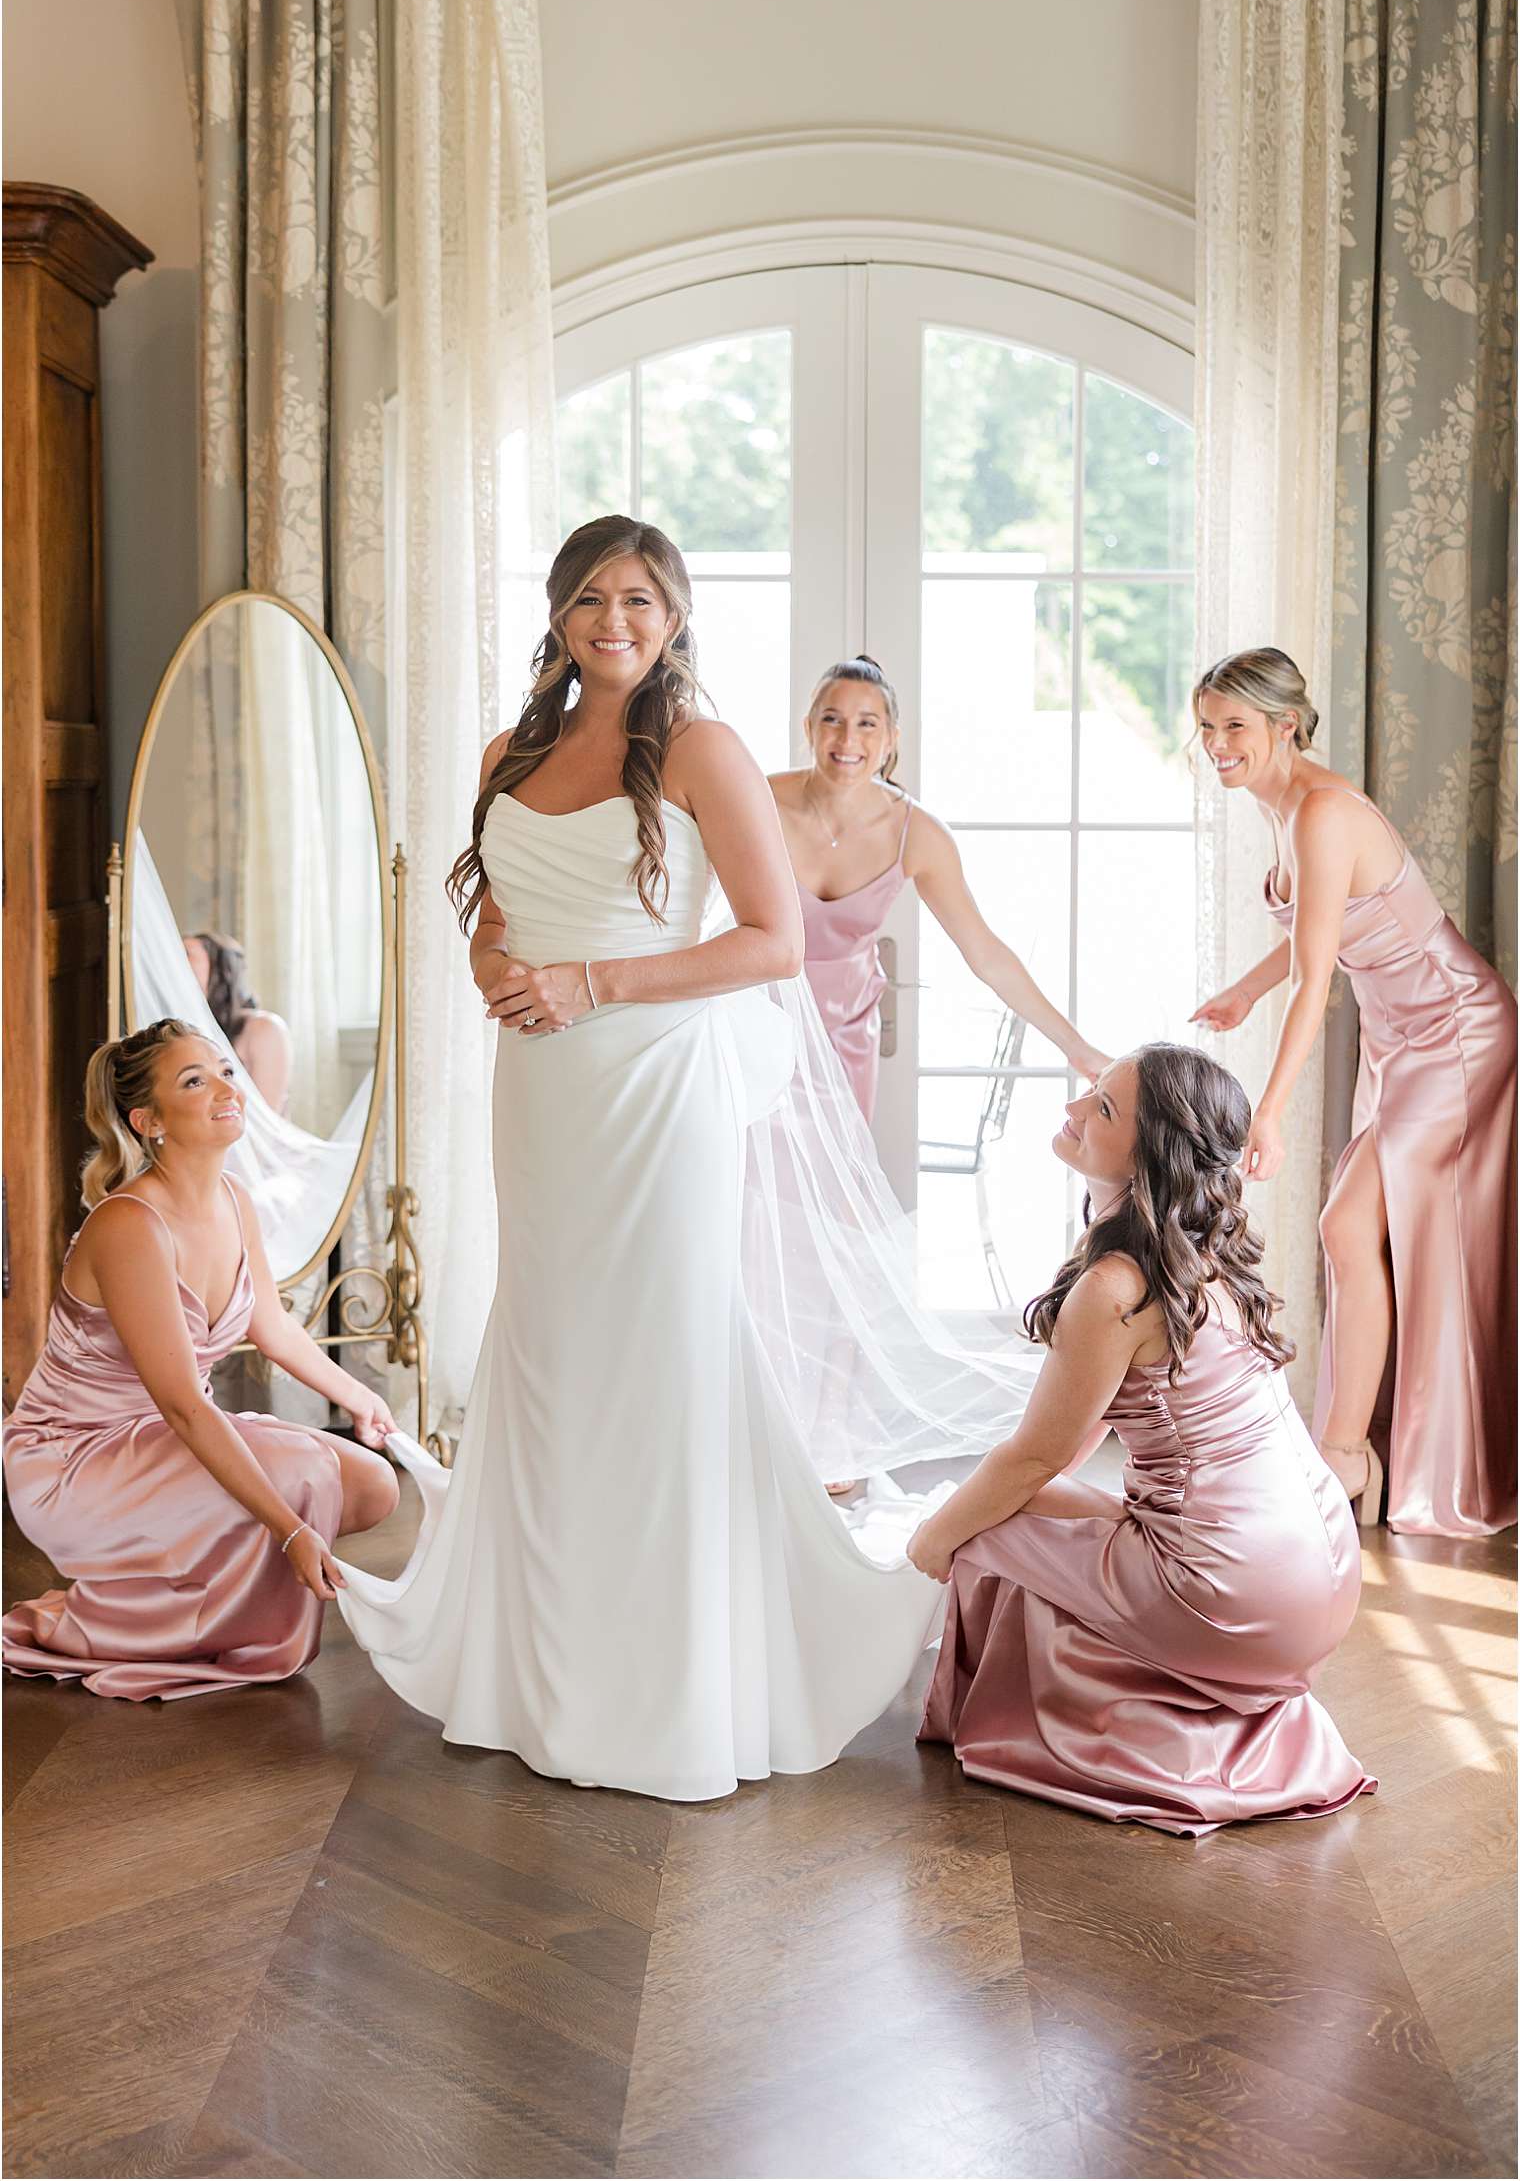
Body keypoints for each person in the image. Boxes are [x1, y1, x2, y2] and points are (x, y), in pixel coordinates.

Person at [335, 518, 959, 1802]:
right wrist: (501, 967)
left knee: (661, 1350)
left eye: (638, 599)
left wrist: (592, 980)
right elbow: (497, 909)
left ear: (673, 616)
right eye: (587, 598)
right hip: (543, 1090)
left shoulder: (700, 747)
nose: (611, 619)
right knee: (552, 1348)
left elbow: (775, 940)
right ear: (558, 612)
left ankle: (673, 1688)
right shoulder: (513, 750)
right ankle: (538, 1675)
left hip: (652, 1087)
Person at [908, 1043, 1376, 1838]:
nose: (1072, 1109)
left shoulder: (1115, 1287)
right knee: (1015, 1502)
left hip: (1234, 1594)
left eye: (1102, 1108)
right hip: (1325, 1580)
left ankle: (1058, 1722)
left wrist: (934, 1539)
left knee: (984, 1522)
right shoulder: (1209, 1262)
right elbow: (1064, 1449)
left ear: (1151, 1153)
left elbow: (1032, 1460)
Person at [1191, 647, 1516, 1538]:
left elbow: (1316, 981)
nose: (1216, 743)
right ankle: (1349, 1451)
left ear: (1284, 726)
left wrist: (1268, 1111)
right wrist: (1244, 990)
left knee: (1366, 1228)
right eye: (1208, 725)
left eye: (1234, 728)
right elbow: (1317, 938)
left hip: (1454, 1030)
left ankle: (1358, 1459)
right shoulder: (1281, 805)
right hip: (1398, 1034)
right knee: (1349, 1230)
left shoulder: (1325, 813)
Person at [2, 1020, 399, 1701]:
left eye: (224, 1071)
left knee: (370, 1486)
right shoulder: (129, 1225)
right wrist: (290, 1531)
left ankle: (174, 1599)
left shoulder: (233, 1200)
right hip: (74, 1459)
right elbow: (186, 1404)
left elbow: (273, 1329)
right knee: (304, 1479)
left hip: (160, 1439)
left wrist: (359, 1398)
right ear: (148, 1121)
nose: (225, 1088)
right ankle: (99, 1620)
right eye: (195, 1081)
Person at [769, 656, 1106, 1122]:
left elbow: (986, 954)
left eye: (867, 724)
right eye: (833, 720)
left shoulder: (918, 834)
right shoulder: (757, 801)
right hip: (759, 1027)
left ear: (891, 740)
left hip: (844, 1042)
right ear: (808, 727)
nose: (848, 739)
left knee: (836, 1189)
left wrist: (1078, 1048)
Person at [183, 931, 293, 1116]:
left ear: (221, 969)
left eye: (186, 954)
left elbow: (268, 1115)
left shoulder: (264, 1028)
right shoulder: (181, 1033)